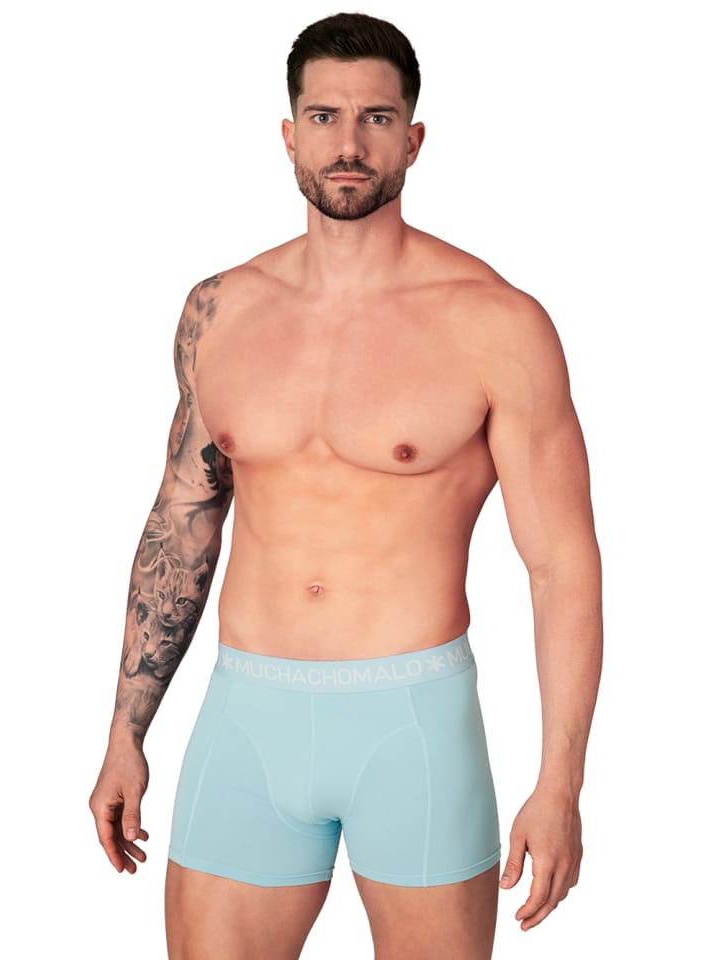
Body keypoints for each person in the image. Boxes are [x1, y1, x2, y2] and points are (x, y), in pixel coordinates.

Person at [89, 11, 603, 959]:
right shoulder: (221, 311)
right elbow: (181, 524)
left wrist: (561, 783)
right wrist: (126, 732)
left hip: (413, 725)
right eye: (324, 117)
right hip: (245, 718)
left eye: (377, 117)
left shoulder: (496, 324)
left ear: (414, 138)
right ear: (290, 135)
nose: (349, 143)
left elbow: (560, 566)